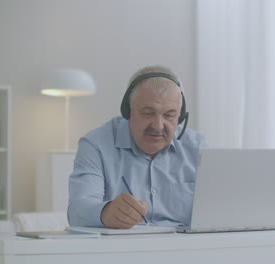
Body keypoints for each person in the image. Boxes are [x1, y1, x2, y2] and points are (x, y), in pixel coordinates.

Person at [68, 65, 204, 229]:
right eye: (148, 113)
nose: (158, 125)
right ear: (128, 111)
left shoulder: (199, 148)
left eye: (169, 115)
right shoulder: (96, 144)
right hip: (122, 250)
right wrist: (105, 213)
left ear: (180, 117)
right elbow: (77, 211)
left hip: (185, 250)